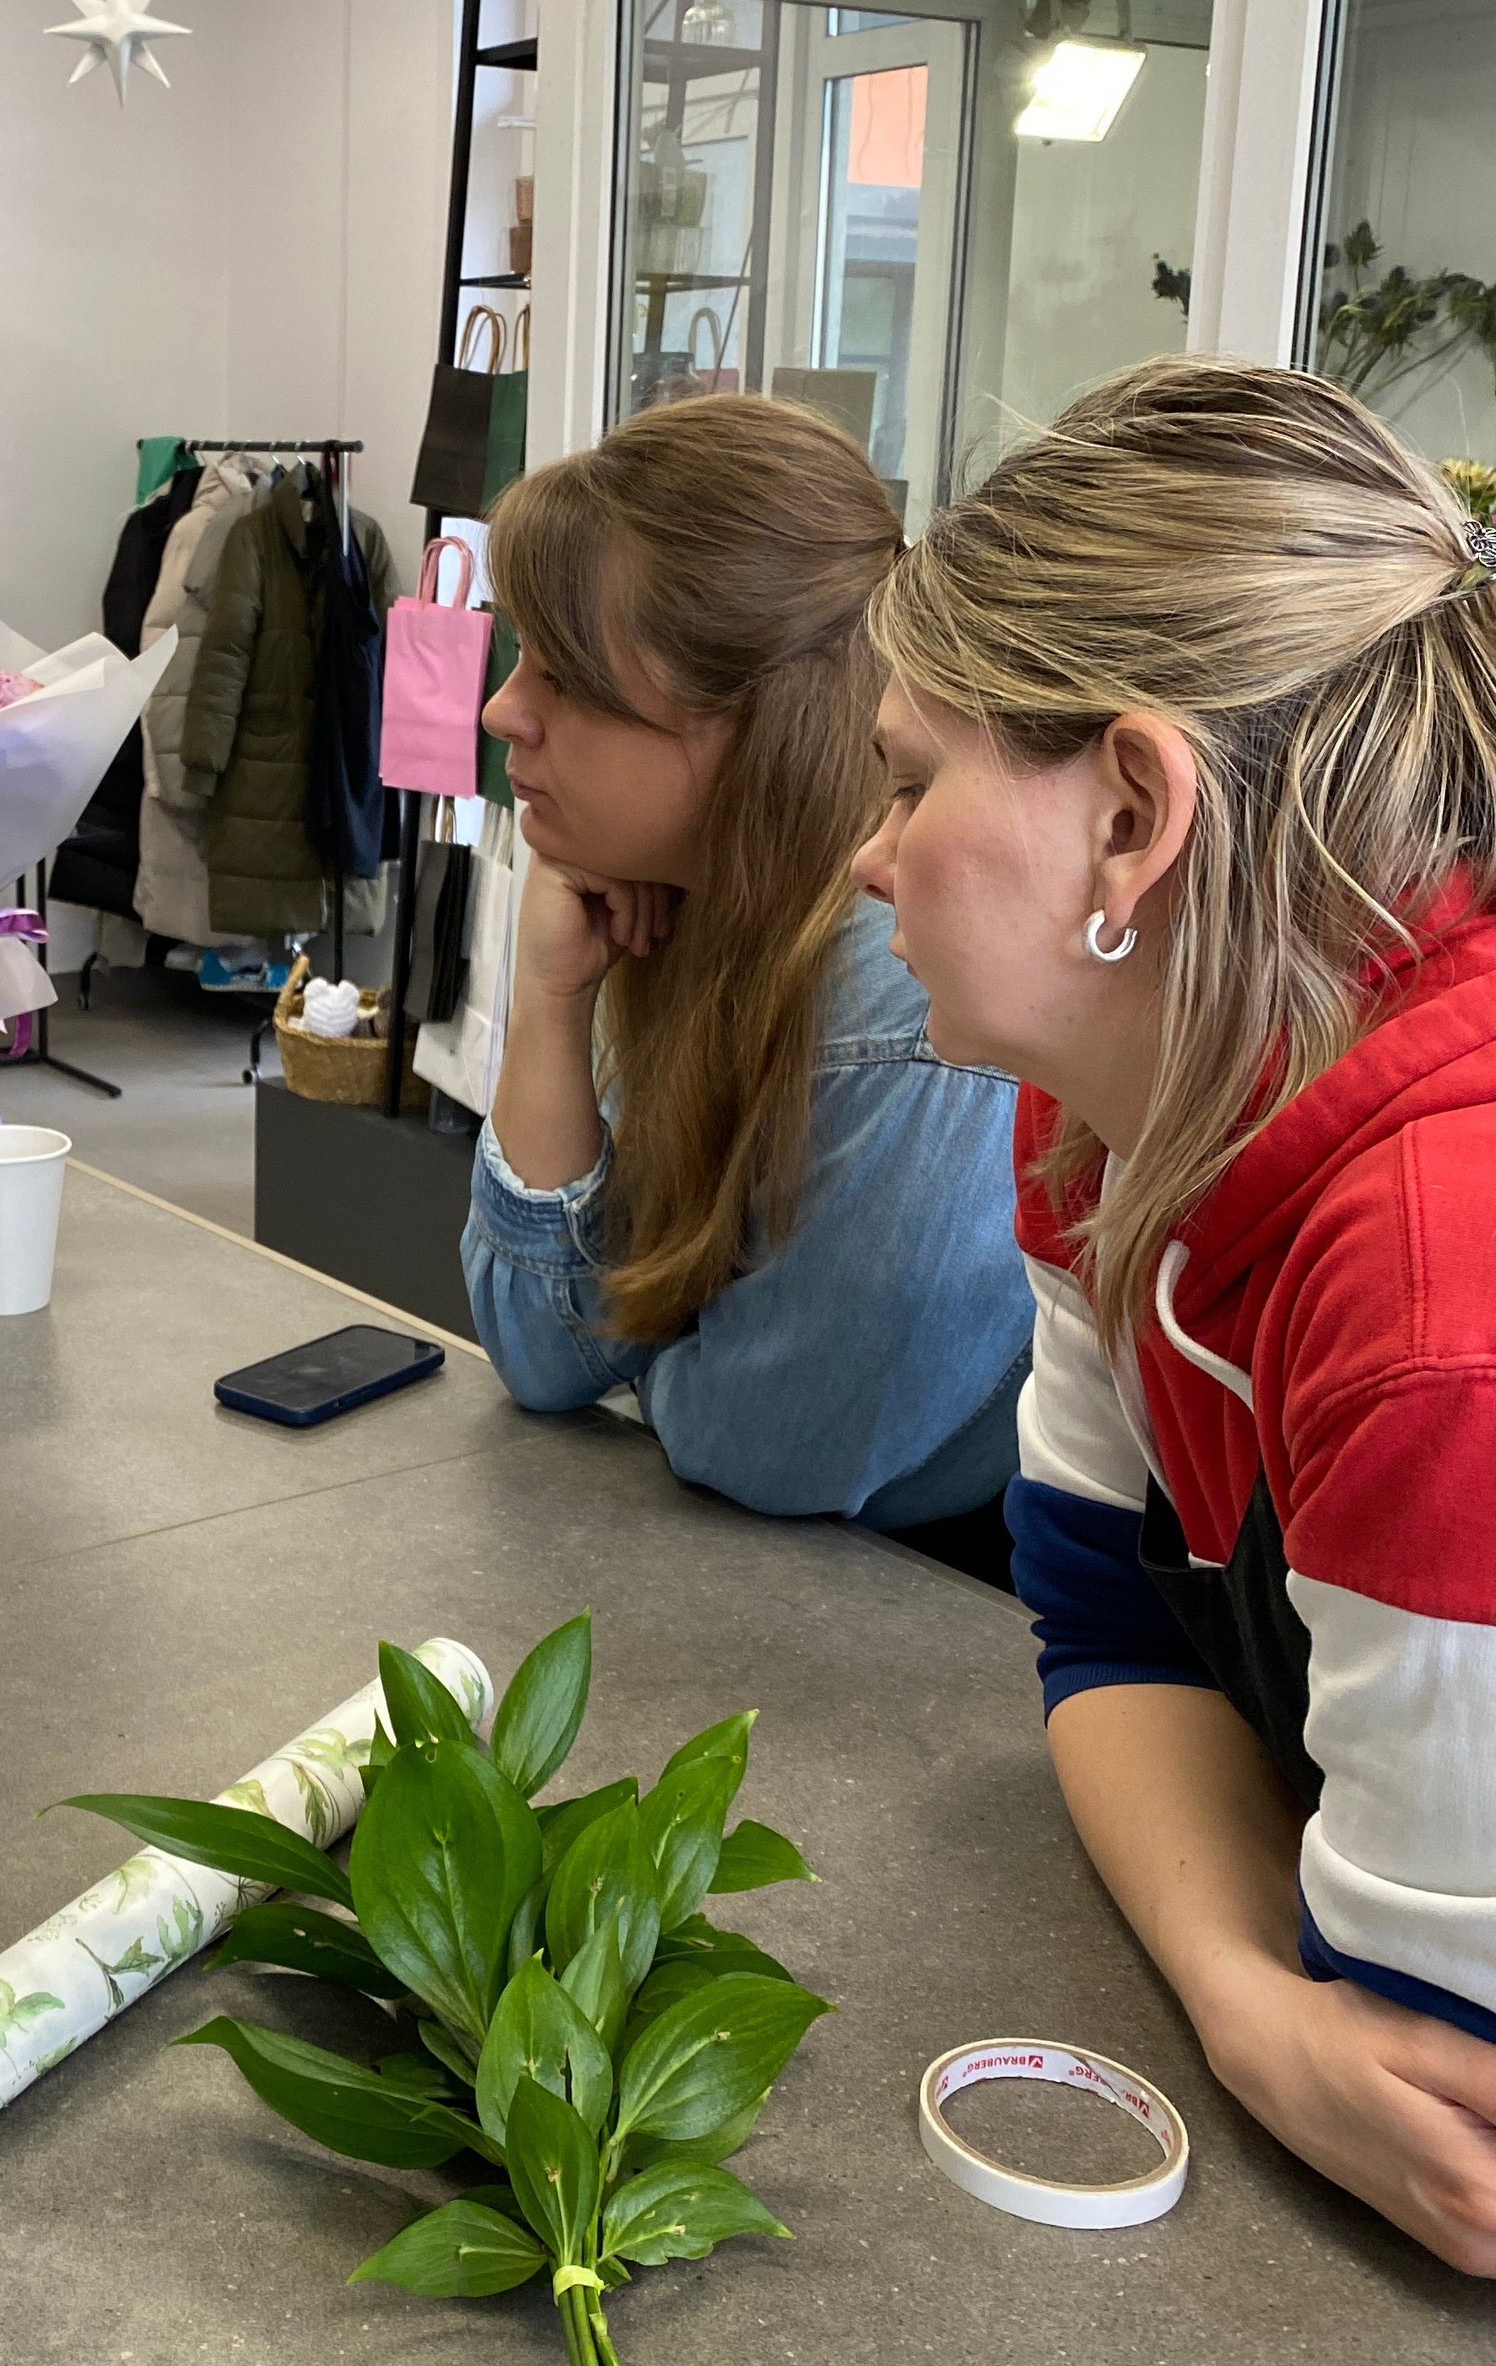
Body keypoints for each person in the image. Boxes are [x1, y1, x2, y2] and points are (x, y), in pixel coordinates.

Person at [854, 355, 1496, 2271]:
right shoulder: (1111, 1110)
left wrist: (1303, 2028)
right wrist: (1242, 1999)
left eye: (910, 781)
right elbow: (1109, 1628)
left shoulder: (1440, 1300)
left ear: (1133, 814)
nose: (871, 855)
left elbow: (1444, 2119)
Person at [461, 393, 1032, 1557]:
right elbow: (543, 1357)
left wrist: (650, 1363)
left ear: (754, 716)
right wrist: (551, 1002)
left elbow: (767, 1445)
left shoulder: (901, 994)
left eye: (564, 675)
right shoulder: (681, 914)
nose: (502, 709)